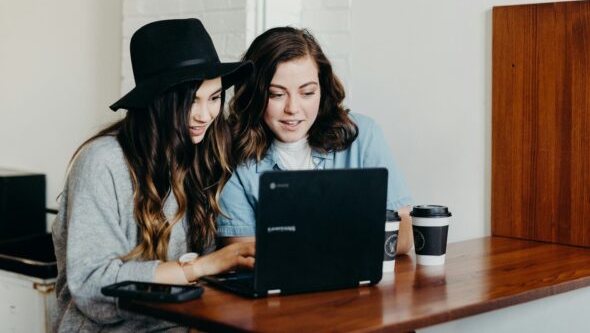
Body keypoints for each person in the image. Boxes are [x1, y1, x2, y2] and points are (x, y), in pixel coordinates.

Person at [52, 19, 255, 332]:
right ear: (159, 100)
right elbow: (92, 284)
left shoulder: (202, 155)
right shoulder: (103, 162)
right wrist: (199, 267)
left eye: (214, 98)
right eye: (191, 101)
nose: (205, 115)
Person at [217, 26, 413, 253]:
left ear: (322, 89)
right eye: (277, 95)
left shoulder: (362, 135)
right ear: (254, 95)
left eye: (307, 93)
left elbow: (404, 234)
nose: (293, 108)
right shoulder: (233, 155)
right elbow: (242, 254)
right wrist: (351, 235)